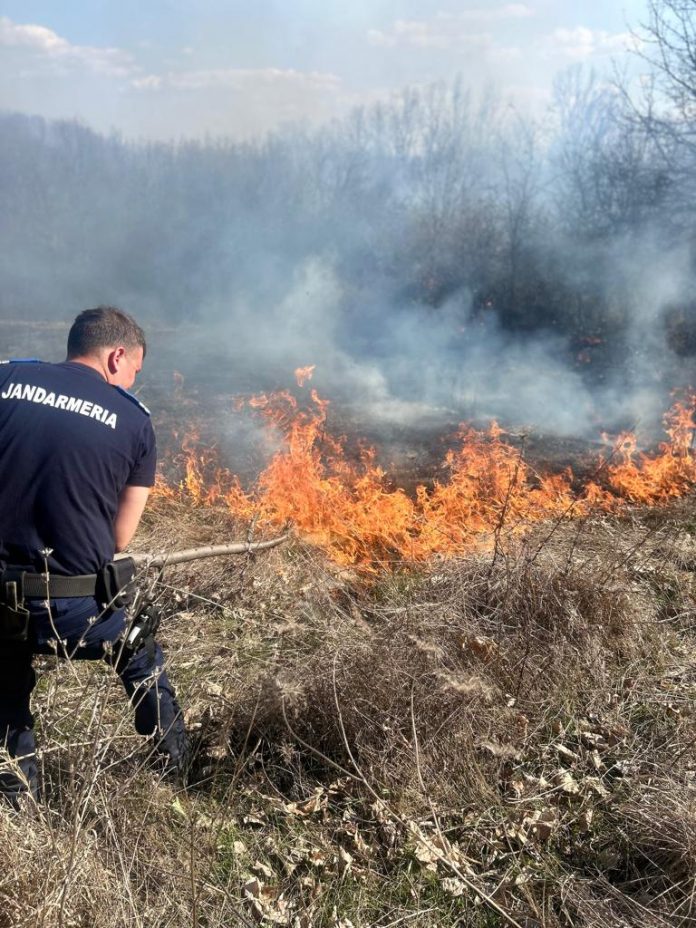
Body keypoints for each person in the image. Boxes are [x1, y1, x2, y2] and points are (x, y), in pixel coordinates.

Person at [0, 306, 187, 805]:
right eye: (134, 373)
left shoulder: (6, 378)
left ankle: (17, 798)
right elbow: (120, 538)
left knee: (4, 689)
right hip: (72, 610)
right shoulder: (134, 421)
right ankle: (177, 773)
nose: (131, 384)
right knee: (139, 650)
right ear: (117, 356)